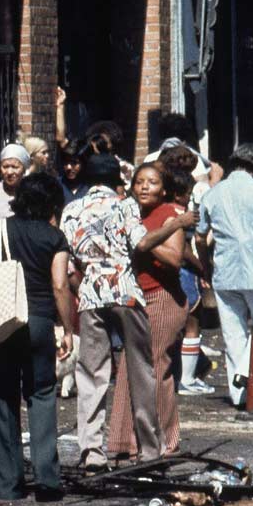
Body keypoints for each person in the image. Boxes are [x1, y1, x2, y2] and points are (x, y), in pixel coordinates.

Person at [0, 173, 74, 501]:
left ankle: (9, 484)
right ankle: (47, 480)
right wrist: (69, 328)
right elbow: (60, 285)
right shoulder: (55, 237)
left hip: (3, 322)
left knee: (2, 397)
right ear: (52, 203)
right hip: (39, 321)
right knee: (42, 395)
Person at [61, 152, 159, 468]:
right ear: (117, 180)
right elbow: (141, 243)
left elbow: (68, 262)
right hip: (126, 292)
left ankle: (92, 451)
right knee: (141, 369)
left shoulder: (71, 210)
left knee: (91, 373)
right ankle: (148, 448)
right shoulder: (125, 206)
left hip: (90, 293)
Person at [109, 163, 191, 458]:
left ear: (164, 189)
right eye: (139, 182)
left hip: (163, 297)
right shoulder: (130, 213)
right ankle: (126, 443)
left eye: (153, 182)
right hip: (135, 299)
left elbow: (174, 259)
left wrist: (145, 239)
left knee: (156, 366)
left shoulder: (169, 215)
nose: (144, 187)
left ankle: (166, 441)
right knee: (130, 367)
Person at [197, 143, 253, 408]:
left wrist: (205, 266)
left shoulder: (213, 195)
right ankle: (246, 374)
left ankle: (240, 395)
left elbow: (201, 238)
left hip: (224, 270)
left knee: (233, 334)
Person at [156, 146, 216, 395]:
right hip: (184, 272)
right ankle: (188, 379)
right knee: (192, 323)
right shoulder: (180, 214)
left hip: (166, 273)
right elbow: (183, 249)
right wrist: (202, 267)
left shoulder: (159, 210)